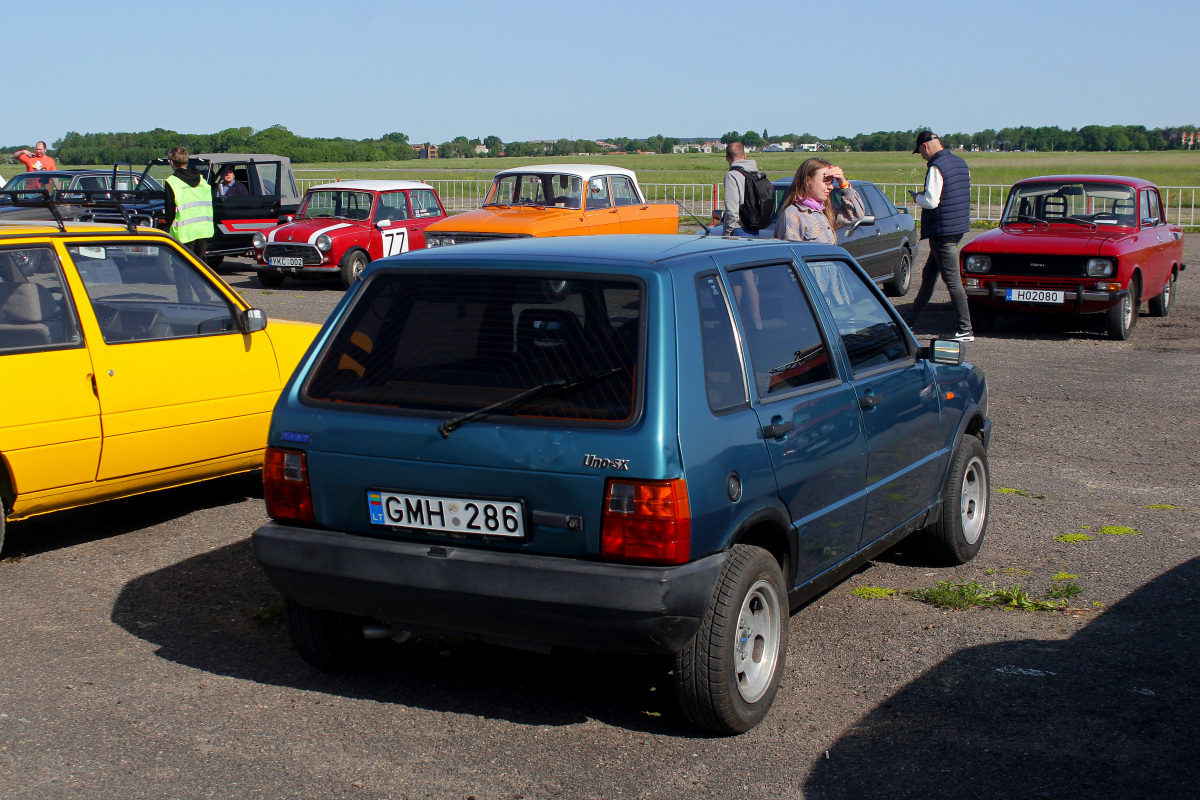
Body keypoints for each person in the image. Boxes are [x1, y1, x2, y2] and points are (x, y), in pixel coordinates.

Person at [905, 131, 973, 341]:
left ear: (926, 146)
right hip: (957, 227)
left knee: (951, 279)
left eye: (921, 152)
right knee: (928, 276)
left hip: (942, 230)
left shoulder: (936, 166)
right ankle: (909, 322)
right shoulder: (960, 163)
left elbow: (932, 201)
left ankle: (965, 328)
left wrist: (917, 197)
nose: (922, 156)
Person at [773, 158, 865, 310]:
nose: (831, 187)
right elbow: (789, 268)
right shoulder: (793, 215)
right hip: (810, 301)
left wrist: (844, 183)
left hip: (833, 298)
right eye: (826, 181)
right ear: (807, 181)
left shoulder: (822, 213)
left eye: (832, 182)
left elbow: (857, 214)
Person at [162, 146, 214, 259]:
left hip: (184, 233)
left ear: (171, 162)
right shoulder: (202, 180)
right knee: (199, 267)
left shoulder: (172, 182)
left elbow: (169, 211)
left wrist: (167, 228)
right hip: (204, 230)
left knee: (183, 268)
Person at [722, 142, 759, 236]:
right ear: (745, 155)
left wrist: (726, 232)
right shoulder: (756, 174)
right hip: (755, 228)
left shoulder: (732, 176)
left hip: (738, 228)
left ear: (727, 158)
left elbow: (732, 210)